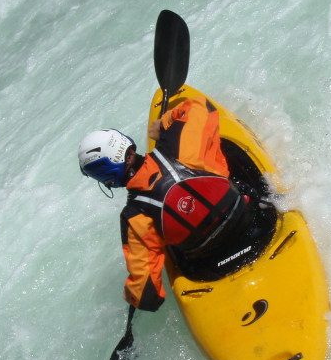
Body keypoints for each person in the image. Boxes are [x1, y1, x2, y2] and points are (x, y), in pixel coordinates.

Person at [77, 96, 251, 312]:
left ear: (107, 176)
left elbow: (148, 296)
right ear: (126, 142)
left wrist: (132, 295)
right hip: (250, 222)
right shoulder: (178, 144)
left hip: (212, 266)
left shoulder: (134, 217)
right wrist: (164, 124)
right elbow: (202, 105)